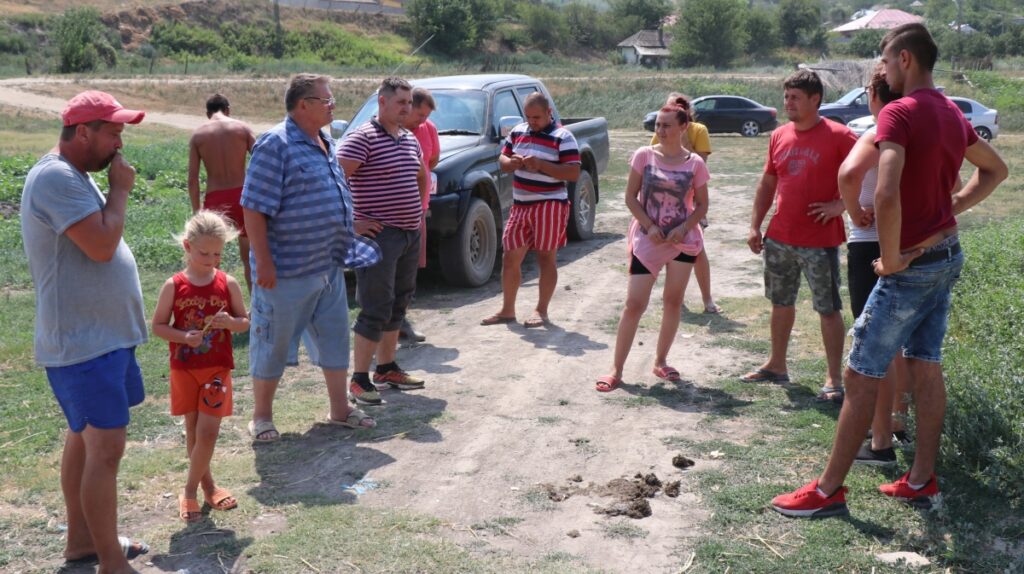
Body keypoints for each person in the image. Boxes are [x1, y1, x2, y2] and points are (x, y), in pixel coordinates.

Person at [771, 23, 1008, 518]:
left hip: (912, 265)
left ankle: (828, 491)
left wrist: (896, 255)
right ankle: (921, 479)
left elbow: (884, 191)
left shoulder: (900, 111)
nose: (881, 67)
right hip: (946, 254)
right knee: (925, 363)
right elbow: (996, 169)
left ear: (904, 59)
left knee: (859, 372)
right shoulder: (951, 110)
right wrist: (951, 210)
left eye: (884, 57)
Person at [20, 90, 150, 573]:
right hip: (83, 342)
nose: (119, 144)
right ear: (82, 133)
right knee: (106, 449)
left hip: (101, 337)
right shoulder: (55, 176)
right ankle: (111, 562)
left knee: (85, 438)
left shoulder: (74, 173)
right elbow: (100, 245)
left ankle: (81, 541)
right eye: (113, 133)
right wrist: (120, 191)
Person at [242, 74, 381, 442]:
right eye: (326, 99)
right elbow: (253, 208)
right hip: (285, 271)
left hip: (328, 266)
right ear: (303, 105)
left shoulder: (326, 140)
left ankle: (339, 410)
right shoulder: (275, 144)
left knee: (334, 339)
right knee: (271, 343)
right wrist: (264, 262)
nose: (333, 105)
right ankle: (261, 417)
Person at [742, 70, 857, 404]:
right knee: (780, 303)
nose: (787, 103)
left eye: (795, 97)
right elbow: (768, 182)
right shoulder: (779, 135)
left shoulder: (840, 136)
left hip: (820, 240)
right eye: (786, 96)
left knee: (828, 308)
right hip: (780, 236)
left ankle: (834, 378)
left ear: (815, 99)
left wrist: (841, 205)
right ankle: (776, 365)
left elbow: (871, 172)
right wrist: (755, 225)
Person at [595, 99, 709, 392]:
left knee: (673, 301)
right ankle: (616, 370)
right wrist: (649, 225)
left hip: (682, 242)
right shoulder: (644, 155)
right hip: (648, 239)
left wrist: (683, 228)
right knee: (634, 304)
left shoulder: (695, 163)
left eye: (667, 125)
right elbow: (630, 197)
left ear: (683, 127)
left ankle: (660, 361)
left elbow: (702, 205)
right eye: (657, 125)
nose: (660, 130)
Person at [151, 211, 250, 522]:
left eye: (217, 253)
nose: (211, 260)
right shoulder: (174, 285)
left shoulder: (227, 283)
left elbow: (244, 322)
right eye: (204, 253)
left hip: (217, 368)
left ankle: (189, 491)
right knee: (193, 432)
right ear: (187, 247)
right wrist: (183, 337)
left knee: (207, 433)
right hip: (184, 369)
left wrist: (230, 322)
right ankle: (208, 486)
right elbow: (158, 326)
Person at [835, 64, 910, 467]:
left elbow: (849, 175)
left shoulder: (879, 131)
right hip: (910, 244)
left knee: (875, 342)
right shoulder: (917, 133)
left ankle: (881, 440)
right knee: (901, 340)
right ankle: (896, 420)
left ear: (875, 95)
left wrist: (854, 212)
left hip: (871, 246)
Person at [339, 77, 429, 406]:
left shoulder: (408, 138)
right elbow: (333, 180)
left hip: (408, 234)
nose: (407, 108)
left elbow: (421, 176)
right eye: (401, 102)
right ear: (382, 101)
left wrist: (419, 213)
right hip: (379, 238)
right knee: (375, 307)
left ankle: (387, 368)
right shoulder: (361, 138)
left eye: (409, 103)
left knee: (398, 303)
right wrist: (350, 223)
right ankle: (359, 379)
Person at [480, 92, 581, 328]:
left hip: (550, 204)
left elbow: (573, 173)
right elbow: (503, 160)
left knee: (546, 257)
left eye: (537, 117)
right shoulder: (518, 131)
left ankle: (541, 310)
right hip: (521, 204)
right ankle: (507, 310)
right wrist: (511, 163)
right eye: (528, 117)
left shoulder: (563, 137)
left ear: (549, 113)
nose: (532, 122)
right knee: (509, 257)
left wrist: (542, 165)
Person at [650, 92, 720, 314]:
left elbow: (700, 163)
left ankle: (707, 298)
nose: (674, 111)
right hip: (665, 202)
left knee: (697, 250)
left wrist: (682, 140)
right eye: (670, 107)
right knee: (668, 248)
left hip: (690, 201)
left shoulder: (698, 130)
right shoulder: (663, 129)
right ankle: (674, 297)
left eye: (680, 108)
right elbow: (654, 158)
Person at [188, 94, 256, 291]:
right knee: (249, 257)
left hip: (215, 198)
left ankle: (216, 300)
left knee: (211, 258)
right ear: (228, 110)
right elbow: (263, 160)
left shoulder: (198, 135)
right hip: (243, 195)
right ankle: (256, 304)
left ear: (207, 113)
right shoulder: (242, 128)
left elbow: (192, 179)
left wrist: (197, 212)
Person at [397, 86, 440, 344]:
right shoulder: (392, 131)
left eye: (426, 116)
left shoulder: (428, 129)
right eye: (420, 115)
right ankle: (381, 323)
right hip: (389, 213)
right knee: (386, 270)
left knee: (410, 268)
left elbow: (432, 161)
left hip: (418, 209)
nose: (422, 121)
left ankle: (401, 320)